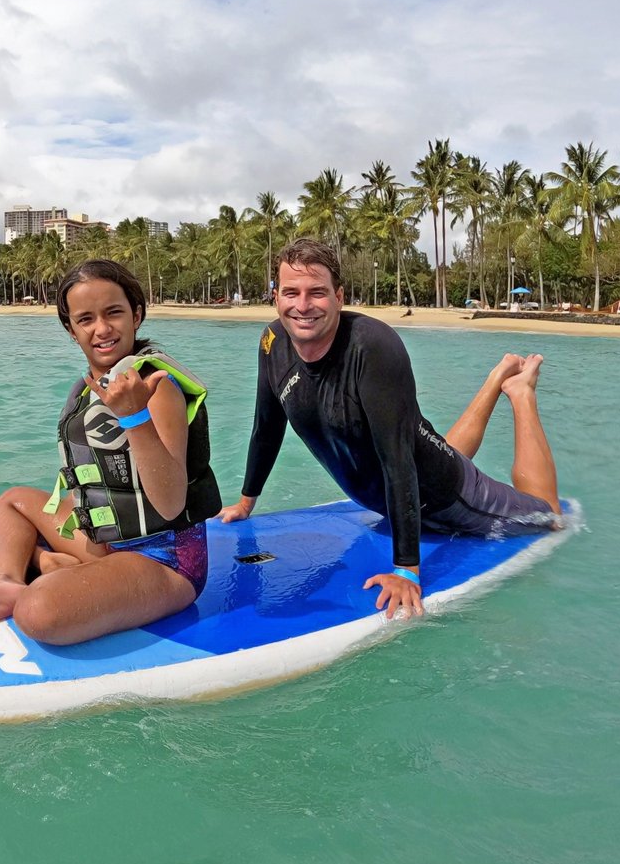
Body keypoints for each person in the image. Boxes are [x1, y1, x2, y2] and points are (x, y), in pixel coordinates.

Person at [219, 238, 560, 620]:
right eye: (290, 292)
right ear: (275, 297)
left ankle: (520, 391)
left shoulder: (372, 346)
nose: (302, 305)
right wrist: (247, 502)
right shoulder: (271, 343)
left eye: (317, 292)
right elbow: (266, 426)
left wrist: (406, 570)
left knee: (548, 517)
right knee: (437, 449)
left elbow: (398, 460)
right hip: (401, 482)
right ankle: (496, 379)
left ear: (339, 297)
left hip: (445, 498)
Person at [0, 259, 222, 645]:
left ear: (136, 314)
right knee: (12, 502)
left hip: (164, 561)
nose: (102, 329)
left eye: (114, 313)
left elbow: (172, 503)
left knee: (37, 612)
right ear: (71, 330)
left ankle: (44, 575)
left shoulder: (158, 387)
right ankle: (9, 579)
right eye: (86, 319)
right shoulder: (89, 387)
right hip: (105, 542)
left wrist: (134, 417)